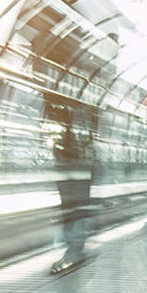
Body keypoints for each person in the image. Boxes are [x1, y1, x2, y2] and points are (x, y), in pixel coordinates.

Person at [46, 94, 96, 273]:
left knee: (73, 215)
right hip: (71, 186)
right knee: (71, 215)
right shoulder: (73, 136)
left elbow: (73, 159)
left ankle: (74, 251)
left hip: (74, 186)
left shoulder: (72, 137)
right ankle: (74, 249)